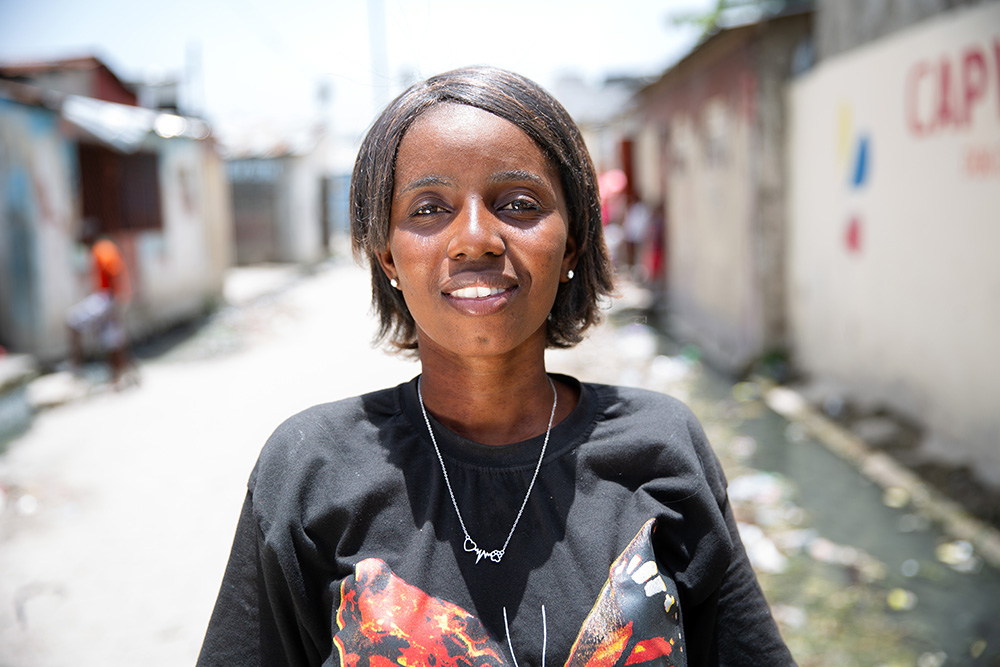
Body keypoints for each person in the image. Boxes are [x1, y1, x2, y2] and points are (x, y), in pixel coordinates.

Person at [197, 67, 793, 667]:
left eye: (518, 204)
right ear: (388, 259)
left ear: (573, 244)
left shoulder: (663, 446)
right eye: (429, 208)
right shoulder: (310, 468)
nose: (476, 238)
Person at [65, 234, 134, 387]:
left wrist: (115, 301)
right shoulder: (105, 247)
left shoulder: (101, 249)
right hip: (112, 298)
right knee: (112, 339)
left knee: (72, 321)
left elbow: (113, 272)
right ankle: (118, 376)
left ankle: (77, 369)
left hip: (107, 298)